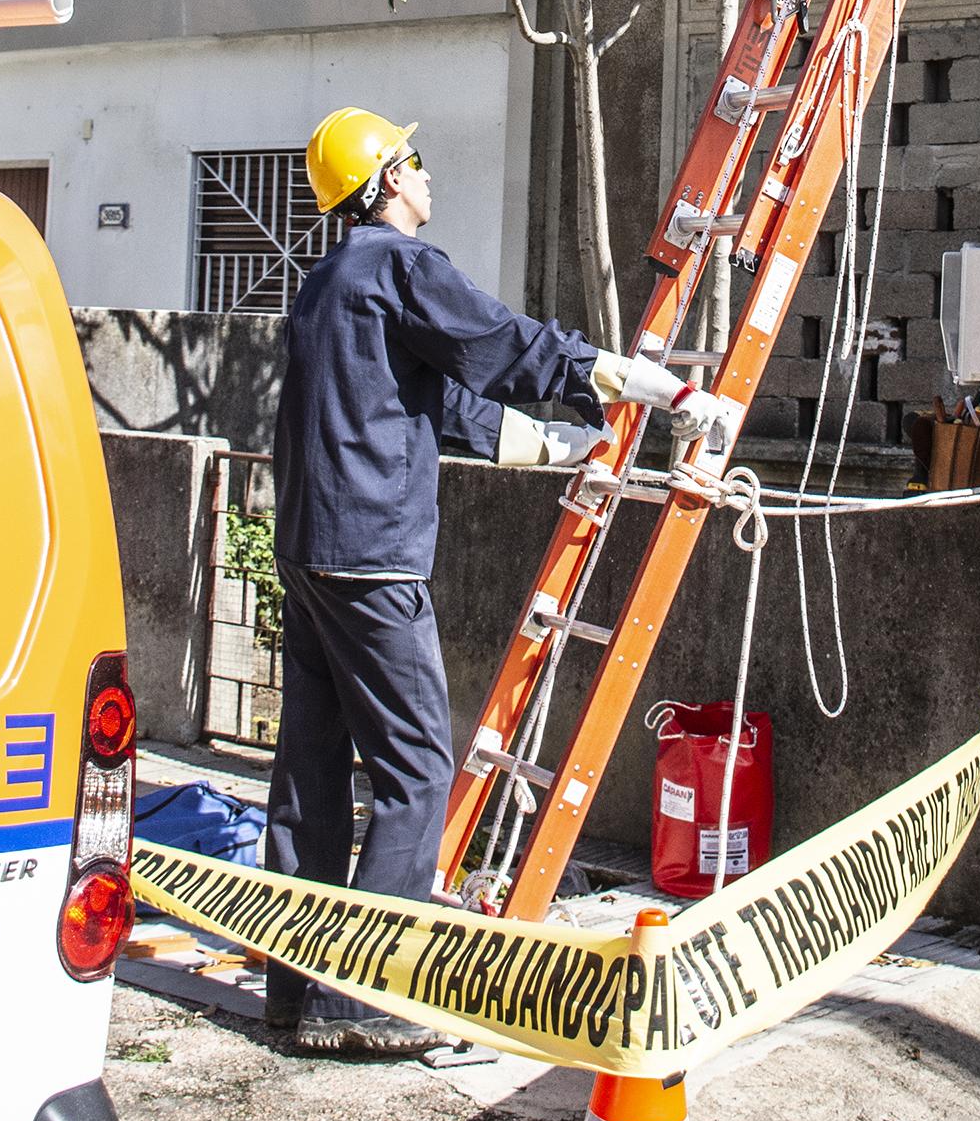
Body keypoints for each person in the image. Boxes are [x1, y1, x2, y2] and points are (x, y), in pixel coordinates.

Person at [263, 104, 724, 1053]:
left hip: (310, 553)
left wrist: (568, 445)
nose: (430, 179)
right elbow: (510, 347)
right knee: (416, 768)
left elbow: (440, 409)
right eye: (417, 162)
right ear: (388, 179)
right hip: (371, 558)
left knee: (308, 772)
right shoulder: (399, 265)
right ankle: (370, 1002)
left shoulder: (326, 284)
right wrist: (659, 387)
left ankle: (295, 990)